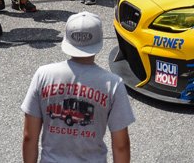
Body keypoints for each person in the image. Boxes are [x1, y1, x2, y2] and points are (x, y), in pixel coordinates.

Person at [21, 12, 134, 163]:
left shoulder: (43, 74)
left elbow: (29, 137)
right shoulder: (112, 84)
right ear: (99, 41)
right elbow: (121, 146)